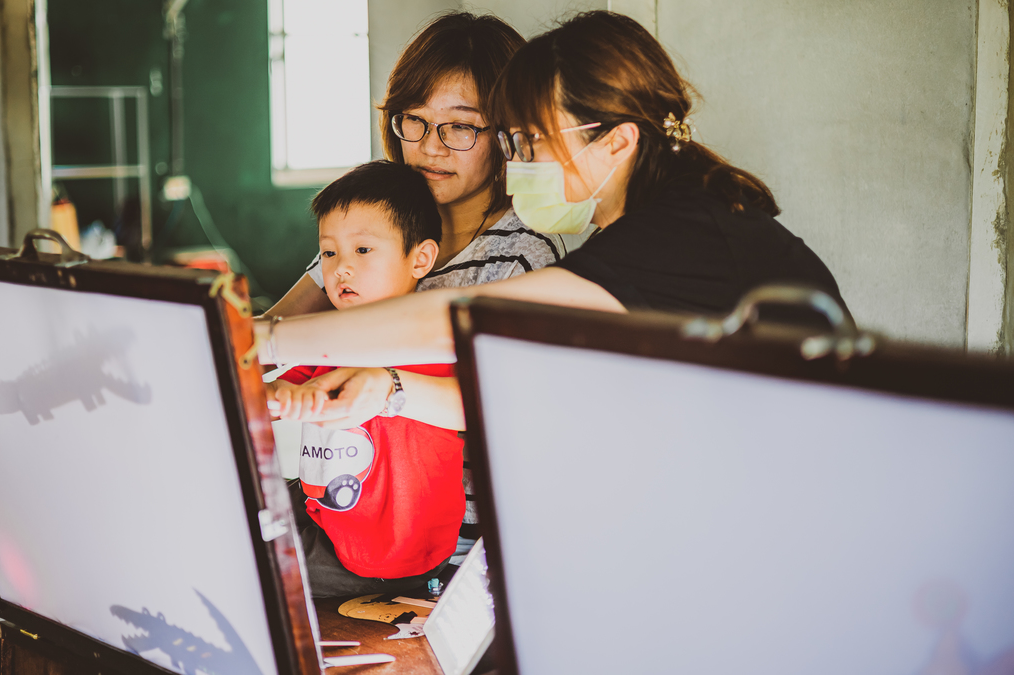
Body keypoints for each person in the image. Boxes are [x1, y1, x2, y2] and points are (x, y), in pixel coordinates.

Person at [254, 11, 846, 427]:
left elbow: (466, 318)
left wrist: (266, 337)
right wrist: (391, 390)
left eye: (531, 140)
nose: (518, 162)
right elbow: (530, 394)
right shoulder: (651, 226)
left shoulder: (680, 232)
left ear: (616, 143)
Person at [265, 12, 579, 319]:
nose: (430, 147)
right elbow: (270, 328)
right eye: (415, 120)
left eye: (459, 126)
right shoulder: (372, 221)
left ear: (507, 133)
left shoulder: (523, 256)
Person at [268, 160, 465, 597]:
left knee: (253, 566)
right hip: (327, 514)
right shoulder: (336, 334)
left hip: (385, 556)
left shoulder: (429, 341)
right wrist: (273, 395)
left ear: (421, 259)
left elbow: (469, 402)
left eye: (362, 251)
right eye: (330, 253)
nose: (341, 269)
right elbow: (282, 381)